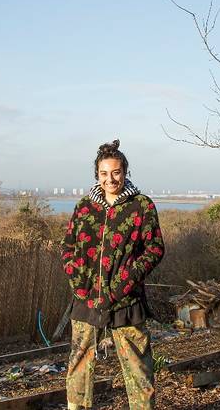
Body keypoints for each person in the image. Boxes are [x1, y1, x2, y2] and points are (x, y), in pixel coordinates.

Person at [61, 139, 165, 410]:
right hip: (86, 300)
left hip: (126, 301)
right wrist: (78, 282)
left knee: (139, 369)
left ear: (125, 172)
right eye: (104, 173)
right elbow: (68, 246)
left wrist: (126, 281)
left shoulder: (141, 206)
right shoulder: (84, 207)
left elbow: (154, 248)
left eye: (116, 172)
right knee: (79, 366)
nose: (110, 179)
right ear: (97, 174)